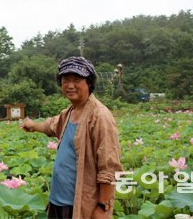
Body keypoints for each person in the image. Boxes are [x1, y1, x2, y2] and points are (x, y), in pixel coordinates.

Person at [21, 56, 122, 219]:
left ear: (89, 83)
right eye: (65, 80)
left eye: (76, 79)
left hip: (79, 205)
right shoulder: (70, 112)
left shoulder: (99, 116)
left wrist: (103, 206)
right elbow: (51, 125)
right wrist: (33, 126)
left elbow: (109, 168)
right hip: (57, 201)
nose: (70, 85)